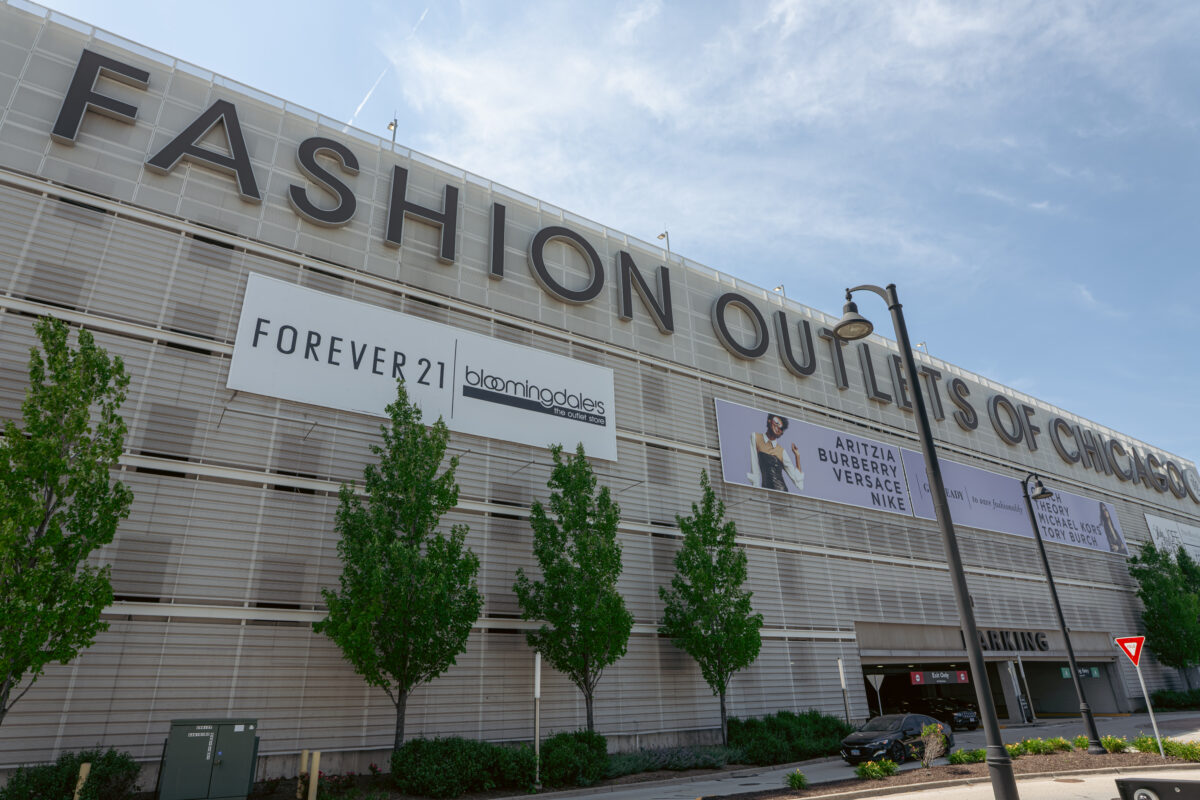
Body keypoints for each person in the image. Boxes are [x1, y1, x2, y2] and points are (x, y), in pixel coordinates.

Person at [747, 413, 803, 492]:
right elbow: (754, 468)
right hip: (766, 491)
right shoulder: (756, 437)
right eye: (776, 422)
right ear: (769, 421)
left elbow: (798, 482)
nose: (778, 427)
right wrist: (755, 489)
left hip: (781, 491)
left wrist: (797, 456)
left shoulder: (781, 451)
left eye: (781, 428)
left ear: (781, 433)